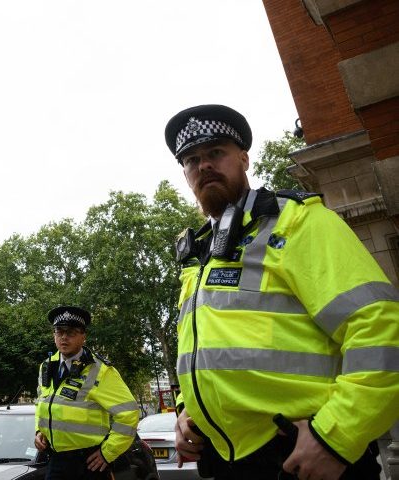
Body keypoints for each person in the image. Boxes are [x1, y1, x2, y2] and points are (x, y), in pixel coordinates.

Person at [164, 104, 399, 479]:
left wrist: (335, 437)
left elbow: (381, 327)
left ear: (243, 158)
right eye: (192, 160)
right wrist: (186, 409)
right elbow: (200, 350)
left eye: (216, 152)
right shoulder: (197, 254)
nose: (204, 165)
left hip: (305, 452)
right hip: (229, 460)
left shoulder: (299, 221)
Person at [34, 305, 139, 479]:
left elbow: (129, 413)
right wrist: (39, 431)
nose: (64, 337)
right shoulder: (46, 366)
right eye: (59, 332)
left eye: (71, 332)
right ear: (54, 335)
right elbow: (41, 403)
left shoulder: (101, 371)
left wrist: (108, 452)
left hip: (89, 463)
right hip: (56, 460)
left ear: (83, 336)